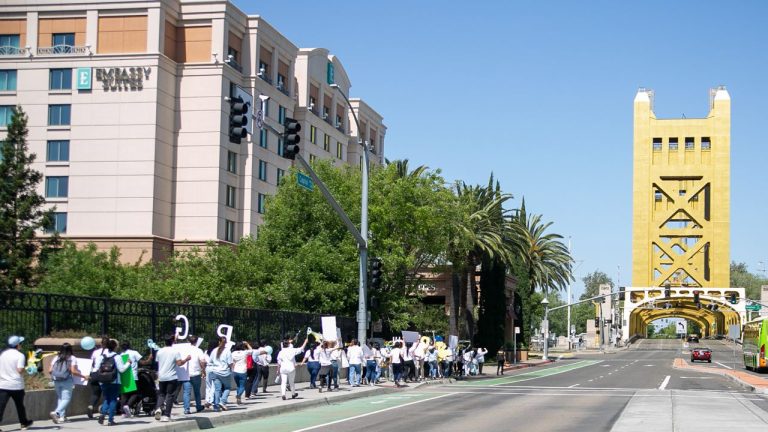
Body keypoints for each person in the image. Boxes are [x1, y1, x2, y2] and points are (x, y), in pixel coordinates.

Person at [153, 334, 191, 422]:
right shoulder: (175, 352)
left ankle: (158, 408)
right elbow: (179, 363)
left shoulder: (160, 351)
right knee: (170, 395)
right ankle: (166, 415)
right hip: (171, 376)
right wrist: (186, 359)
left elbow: (157, 362)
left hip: (161, 376)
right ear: (173, 341)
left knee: (161, 394)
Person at [94, 339, 131, 426]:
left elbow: (96, 368)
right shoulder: (117, 357)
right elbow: (121, 370)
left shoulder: (101, 356)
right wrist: (128, 363)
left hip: (103, 381)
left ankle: (103, 414)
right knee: (113, 400)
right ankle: (110, 419)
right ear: (115, 347)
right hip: (115, 381)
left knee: (107, 398)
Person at [0, 335, 33, 430]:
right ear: (17, 345)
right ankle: (24, 423)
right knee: (20, 406)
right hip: (16, 385)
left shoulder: (2, 354)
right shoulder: (20, 355)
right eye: (20, 343)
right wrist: (27, 369)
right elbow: (19, 370)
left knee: (1, 406)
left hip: (3, 384)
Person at [48, 342, 83, 424]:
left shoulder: (56, 357)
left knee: (60, 398)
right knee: (66, 399)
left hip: (56, 380)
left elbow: (50, 370)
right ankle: (56, 413)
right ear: (70, 349)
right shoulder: (72, 358)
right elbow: (73, 371)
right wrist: (84, 376)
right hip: (66, 380)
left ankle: (61, 417)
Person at [87, 336, 110, 419]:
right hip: (104, 375)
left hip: (94, 374)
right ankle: (104, 411)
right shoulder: (110, 352)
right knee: (106, 393)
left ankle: (91, 406)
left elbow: (91, 363)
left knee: (95, 393)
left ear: (101, 344)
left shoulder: (95, 352)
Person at [182, 335, 206, 414]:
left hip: (186, 374)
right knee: (197, 391)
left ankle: (186, 409)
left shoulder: (184, 350)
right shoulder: (199, 350)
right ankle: (198, 406)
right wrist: (203, 370)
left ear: (189, 341)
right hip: (196, 373)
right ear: (196, 342)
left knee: (186, 392)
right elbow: (202, 361)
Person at [207, 336, 233, 412]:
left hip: (215, 372)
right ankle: (223, 401)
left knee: (217, 389)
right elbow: (230, 363)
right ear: (225, 343)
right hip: (224, 372)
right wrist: (231, 370)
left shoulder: (214, 350)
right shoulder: (227, 351)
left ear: (219, 342)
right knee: (227, 388)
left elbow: (210, 361)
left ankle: (216, 405)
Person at [118, 341, 142, 418]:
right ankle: (128, 406)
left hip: (124, 376)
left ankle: (123, 413)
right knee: (135, 393)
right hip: (133, 375)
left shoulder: (120, 355)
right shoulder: (134, 352)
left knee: (124, 395)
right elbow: (142, 362)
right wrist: (149, 359)